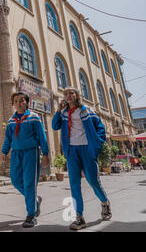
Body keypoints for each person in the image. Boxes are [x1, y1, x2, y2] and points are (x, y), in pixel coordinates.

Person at [52, 87, 112, 230]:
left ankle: (105, 203)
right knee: (74, 184)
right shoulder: (64, 113)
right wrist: (58, 111)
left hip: (86, 148)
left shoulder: (87, 110)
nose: (68, 95)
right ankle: (79, 217)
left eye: (71, 93)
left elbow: (100, 128)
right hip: (71, 150)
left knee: (93, 181)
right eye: (65, 93)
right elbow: (55, 126)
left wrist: (96, 142)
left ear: (77, 95)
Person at [2, 92, 50, 228]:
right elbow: (8, 138)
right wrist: (4, 151)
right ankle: (34, 200)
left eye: (21, 100)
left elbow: (42, 137)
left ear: (26, 102)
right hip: (16, 153)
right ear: (13, 104)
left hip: (31, 152)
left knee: (29, 183)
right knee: (15, 180)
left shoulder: (34, 118)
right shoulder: (11, 121)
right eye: (15, 101)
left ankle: (31, 215)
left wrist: (45, 154)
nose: (18, 103)